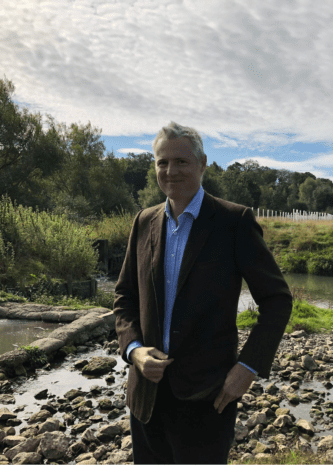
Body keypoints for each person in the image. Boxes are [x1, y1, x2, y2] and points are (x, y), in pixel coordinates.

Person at [113, 121, 292, 464]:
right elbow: (124, 298)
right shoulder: (143, 221)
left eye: (181, 161)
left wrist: (248, 368)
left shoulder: (233, 222)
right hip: (145, 398)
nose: (170, 171)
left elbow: (277, 300)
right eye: (162, 162)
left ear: (203, 163)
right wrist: (134, 351)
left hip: (208, 397)